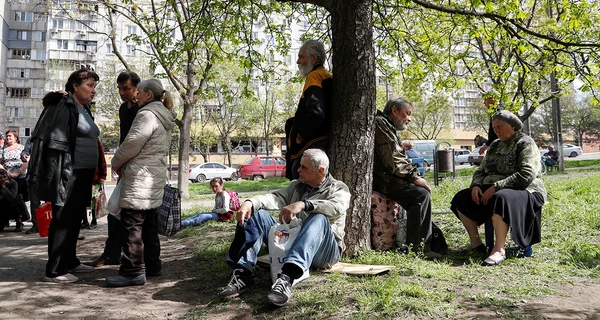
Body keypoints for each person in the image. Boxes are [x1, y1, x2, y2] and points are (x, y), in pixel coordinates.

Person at [219, 149, 350, 306]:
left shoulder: (339, 188)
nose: (298, 169)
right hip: (295, 243)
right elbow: (275, 197)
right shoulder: (297, 186)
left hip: (324, 253)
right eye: (299, 166)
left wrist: (304, 204)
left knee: (319, 218)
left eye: (304, 167)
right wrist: (250, 203)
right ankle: (243, 273)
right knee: (257, 214)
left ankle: (287, 278)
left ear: (320, 170)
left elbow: (335, 207)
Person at [28, 67, 101, 283]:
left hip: (84, 172)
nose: (93, 90)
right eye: (89, 85)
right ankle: (55, 270)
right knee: (62, 218)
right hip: (68, 171)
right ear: (75, 86)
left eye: (94, 87)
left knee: (75, 217)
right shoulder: (62, 104)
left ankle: (70, 261)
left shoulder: (84, 108)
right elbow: (46, 138)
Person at [450, 110, 547, 266]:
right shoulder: (495, 145)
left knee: (500, 199)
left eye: (499, 127)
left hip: (526, 190)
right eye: (494, 128)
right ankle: (476, 244)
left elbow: (526, 174)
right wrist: (475, 185)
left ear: (513, 126)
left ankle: (498, 249)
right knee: (461, 198)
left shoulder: (525, 143)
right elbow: (481, 170)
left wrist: (497, 186)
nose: (496, 131)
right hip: (494, 189)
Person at [105, 79, 176, 287]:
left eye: (140, 92)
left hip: (139, 178)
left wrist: (115, 162)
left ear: (148, 95)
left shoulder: (147, 114)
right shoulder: (164, 116)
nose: (136, 96)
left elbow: (131, 144)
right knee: (149, 225)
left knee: (132, 226)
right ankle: (153, 266)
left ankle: (132, 271)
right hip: (153, 178)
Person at [372, 98, 440, 256]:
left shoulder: (388, 126)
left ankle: (418, 245)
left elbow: (397, 157)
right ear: (394, 111)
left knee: (420, 194)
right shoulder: (381, 123)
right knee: (420, 195)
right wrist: (415, 178)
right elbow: (393, 161)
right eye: (407, 114)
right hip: (382, 179)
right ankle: (420, 248)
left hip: (387, 177)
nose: (409, 118)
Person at [87, 70, 141, 268]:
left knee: (132, 216)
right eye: (119, 89)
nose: (122, 92)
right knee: (115, 211)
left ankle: (137, 260)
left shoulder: (144, 108)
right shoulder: (123, 108)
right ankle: (112, 254)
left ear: (137, 88)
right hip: (125, 168)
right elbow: (124, 138)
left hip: (139, 169)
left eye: (126, 88)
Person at [285, 40, 333, 180]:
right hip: (319, 145)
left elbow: (316, 112)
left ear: (313, 59)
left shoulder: (314, 76)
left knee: (301, 181)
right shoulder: (325, 76)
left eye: (301, 57)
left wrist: (300, 136)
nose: (298, 62)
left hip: (312, 145)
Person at [1, 130, 29, 203]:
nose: (8, 137)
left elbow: (26, 162)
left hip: (21, 177)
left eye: (10, 136)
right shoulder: (3, 150)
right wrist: (6, 173)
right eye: (7, 136)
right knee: (9, 199)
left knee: (21, 200)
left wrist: (17, 173)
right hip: (7, 178)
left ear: (16, 137)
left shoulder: (22, 148)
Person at [86, 140, 107, 228]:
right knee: (83, 199)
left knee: (95, 200)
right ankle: (84, 220)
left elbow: (102, 159)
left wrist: (102, 175)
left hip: (95, 178)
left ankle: (94, 219)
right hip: (82, 177)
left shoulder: (96, 142)